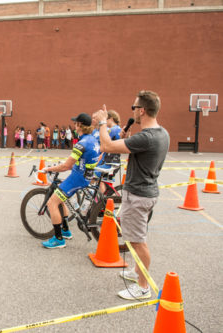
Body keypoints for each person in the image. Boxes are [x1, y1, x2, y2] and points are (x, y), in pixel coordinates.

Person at [93, 90, 169, 300]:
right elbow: (136, 149)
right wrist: (126, 139)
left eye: (134, 107)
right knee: (136, 237)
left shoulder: (146, 137)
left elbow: (107, 146)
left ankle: (142, 287)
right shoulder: (162, 133)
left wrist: (101, 123)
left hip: (139, 195)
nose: (132, 111)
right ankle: (137, 272)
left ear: (142, 110)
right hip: (145, 192)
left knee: (137, 242)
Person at [40, 113, 100, 249]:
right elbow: (78, 161)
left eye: (75, 123)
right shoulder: (92, 139)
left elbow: (66, 166)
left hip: (78, 178)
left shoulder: (81, 144)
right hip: (85, 176)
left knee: (52, 202)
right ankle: (66, 230)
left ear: (79, 125)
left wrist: (49, 168)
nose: (74, 125)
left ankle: (58, 239)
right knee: (62, 198)